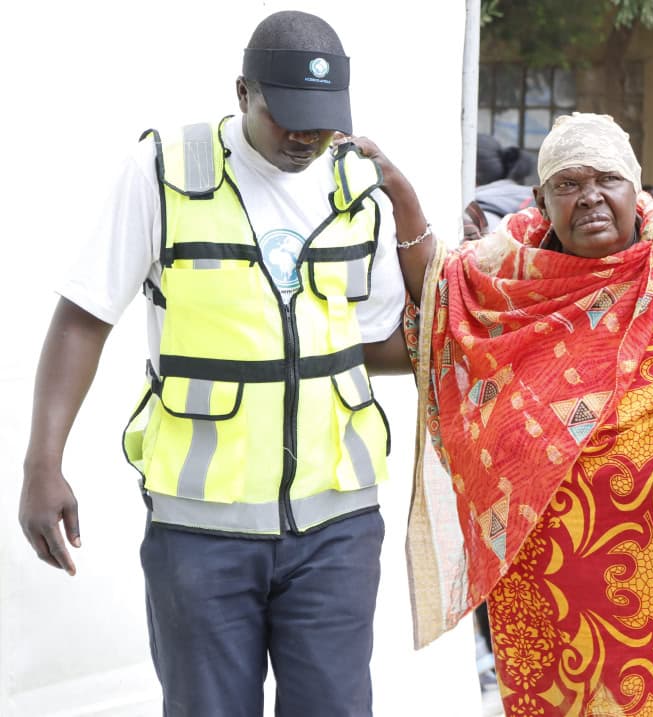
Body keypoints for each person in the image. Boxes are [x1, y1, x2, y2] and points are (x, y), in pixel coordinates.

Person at [17, 11, 425, 714]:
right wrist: (40, 462)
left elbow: (379, 338)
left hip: (338, 524)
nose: (304, 137)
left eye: (322, 121)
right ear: (243, 92)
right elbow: (84, 316)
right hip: (202, 530)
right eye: (286, 116)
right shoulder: (165, 170)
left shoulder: (360, 185)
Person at [398, 113, 653, 715]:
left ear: (636, 188)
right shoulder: (504, 287)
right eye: (569, 185)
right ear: (542, 199)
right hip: (546, 593)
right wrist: (404, 203)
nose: (591, 197)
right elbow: (436, 316)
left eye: (607, 180)